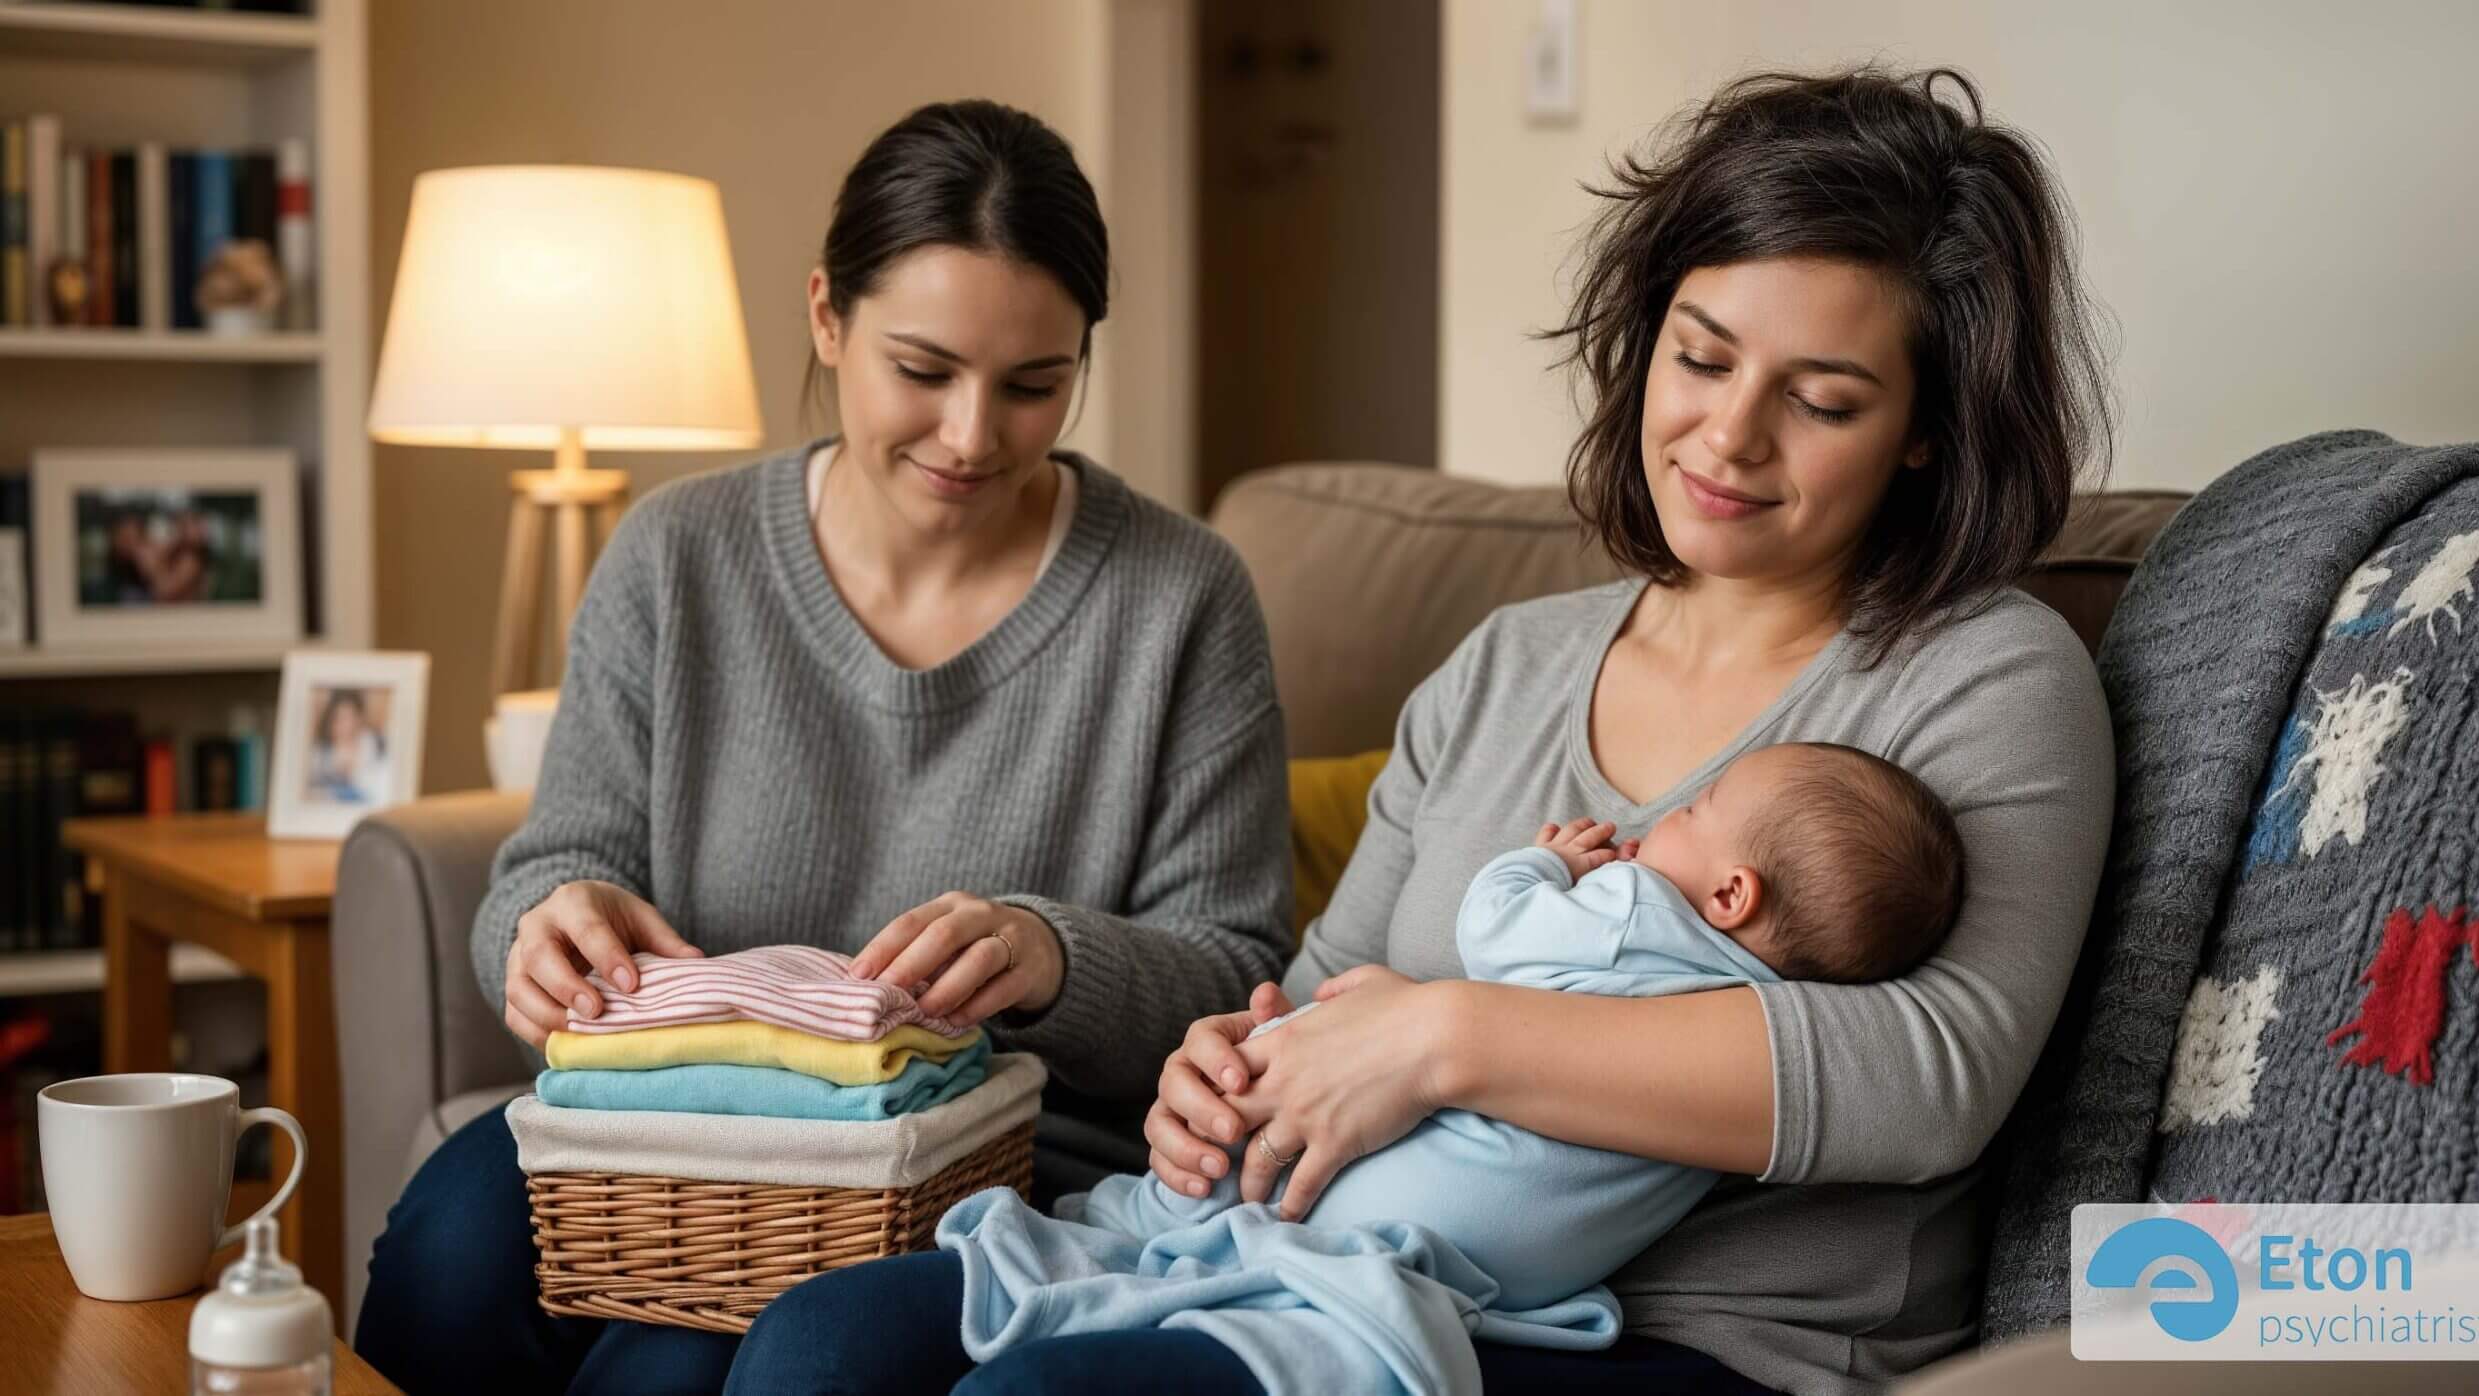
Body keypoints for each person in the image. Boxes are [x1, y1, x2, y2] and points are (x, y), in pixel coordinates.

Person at [729, 65, 2118, 1396]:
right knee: (821, 1348)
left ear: (1927, 431)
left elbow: (1930, 1079)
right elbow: (1327, 984)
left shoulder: (1985, 678)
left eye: (1821, 401)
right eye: (1700, 359)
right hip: (1297, 1253)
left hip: (1689, 1343)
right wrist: (1222, 1078)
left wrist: (1449, 1037)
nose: (1729, 438)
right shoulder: (1509, 665)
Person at [351, 99, 1293, 1396]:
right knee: (445, 1259)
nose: (972, 436)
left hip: (984, 1156)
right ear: (825, 319)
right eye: (923, 370)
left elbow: (1237, 971)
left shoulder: (1181, 597)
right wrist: (541, 924)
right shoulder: (678, 557)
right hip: (677, 1122)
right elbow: (557, 858)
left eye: (1034, 386)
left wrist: (1050, 956)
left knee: (660, 1376)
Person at [913, 743, 1964, 1395]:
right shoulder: (1752, 997)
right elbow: (1300, 982)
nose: (1659, 822)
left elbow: (1495, 932)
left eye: (1693, 812)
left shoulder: (1638, 914)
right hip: (1477, 1272)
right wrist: (1217, 1048)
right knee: (829, 1342)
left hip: (1613, 1324)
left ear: (1730, 895)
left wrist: (1541, 866)